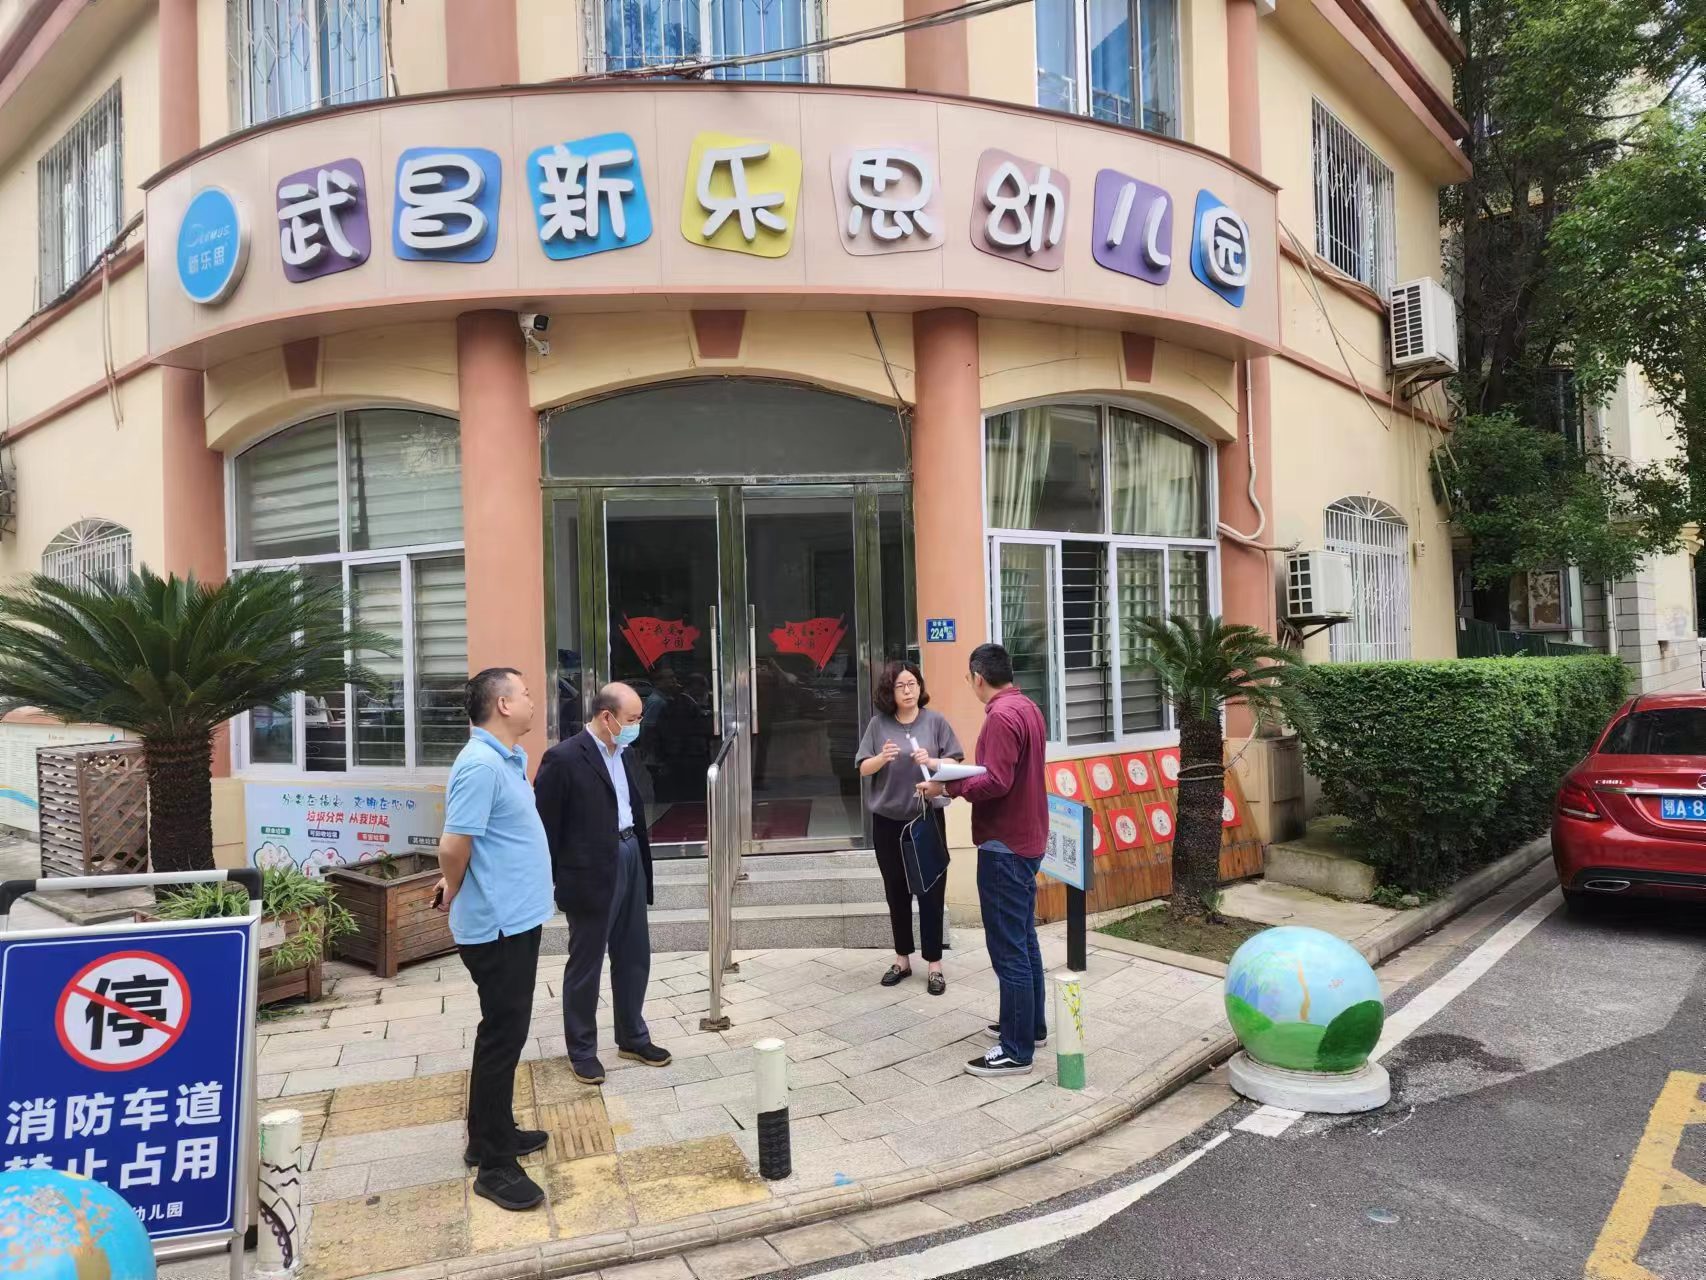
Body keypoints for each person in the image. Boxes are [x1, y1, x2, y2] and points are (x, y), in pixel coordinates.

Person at [434, 667, 555, 1212]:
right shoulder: (480, 764)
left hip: (517, 919)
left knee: (504, 1032)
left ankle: (489, 1134)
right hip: (499, 926)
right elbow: (452, 845)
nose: (532, 700)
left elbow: (483, 841)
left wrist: (454, 880)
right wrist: (454, 885)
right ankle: (495, 1167)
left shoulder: (507, 759)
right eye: (524, 693)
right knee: (503, 1037)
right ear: (503, 705)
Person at [919, 643, 1049, 1078]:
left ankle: (1015, 1050)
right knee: (1023, 938)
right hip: (1028, 838)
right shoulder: (1027, 707)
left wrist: (947, 788)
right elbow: (1004, 774)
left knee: (1008, 947)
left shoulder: (1000, 716)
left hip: (1004, 845)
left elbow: (996, 781)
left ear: (978, 677)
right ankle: (1030, 1026)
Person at [534, 681, 672, 1085]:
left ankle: (632, 1036)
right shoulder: (563, 758)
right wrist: (554, 881)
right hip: (590, 870)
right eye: (632, 719)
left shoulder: (624, 753)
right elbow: (546, 828)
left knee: (634, 954)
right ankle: (582, 1049)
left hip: (629, 854)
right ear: (607, 716)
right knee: (586, 963)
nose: (637, 726)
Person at [855, 660, 964, 994]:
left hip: (926, 818)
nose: (907, 691)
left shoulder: (936, 721)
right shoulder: (878, 725)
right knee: (896, 890)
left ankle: (934, 964)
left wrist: (931, 761)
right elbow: (862, 767)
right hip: (888, 822)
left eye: (912, 684)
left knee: (931, 889)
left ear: (920, 687)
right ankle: (902, 959)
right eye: (900, 685)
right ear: (889, 691)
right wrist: (882, 758)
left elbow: (955, 761)